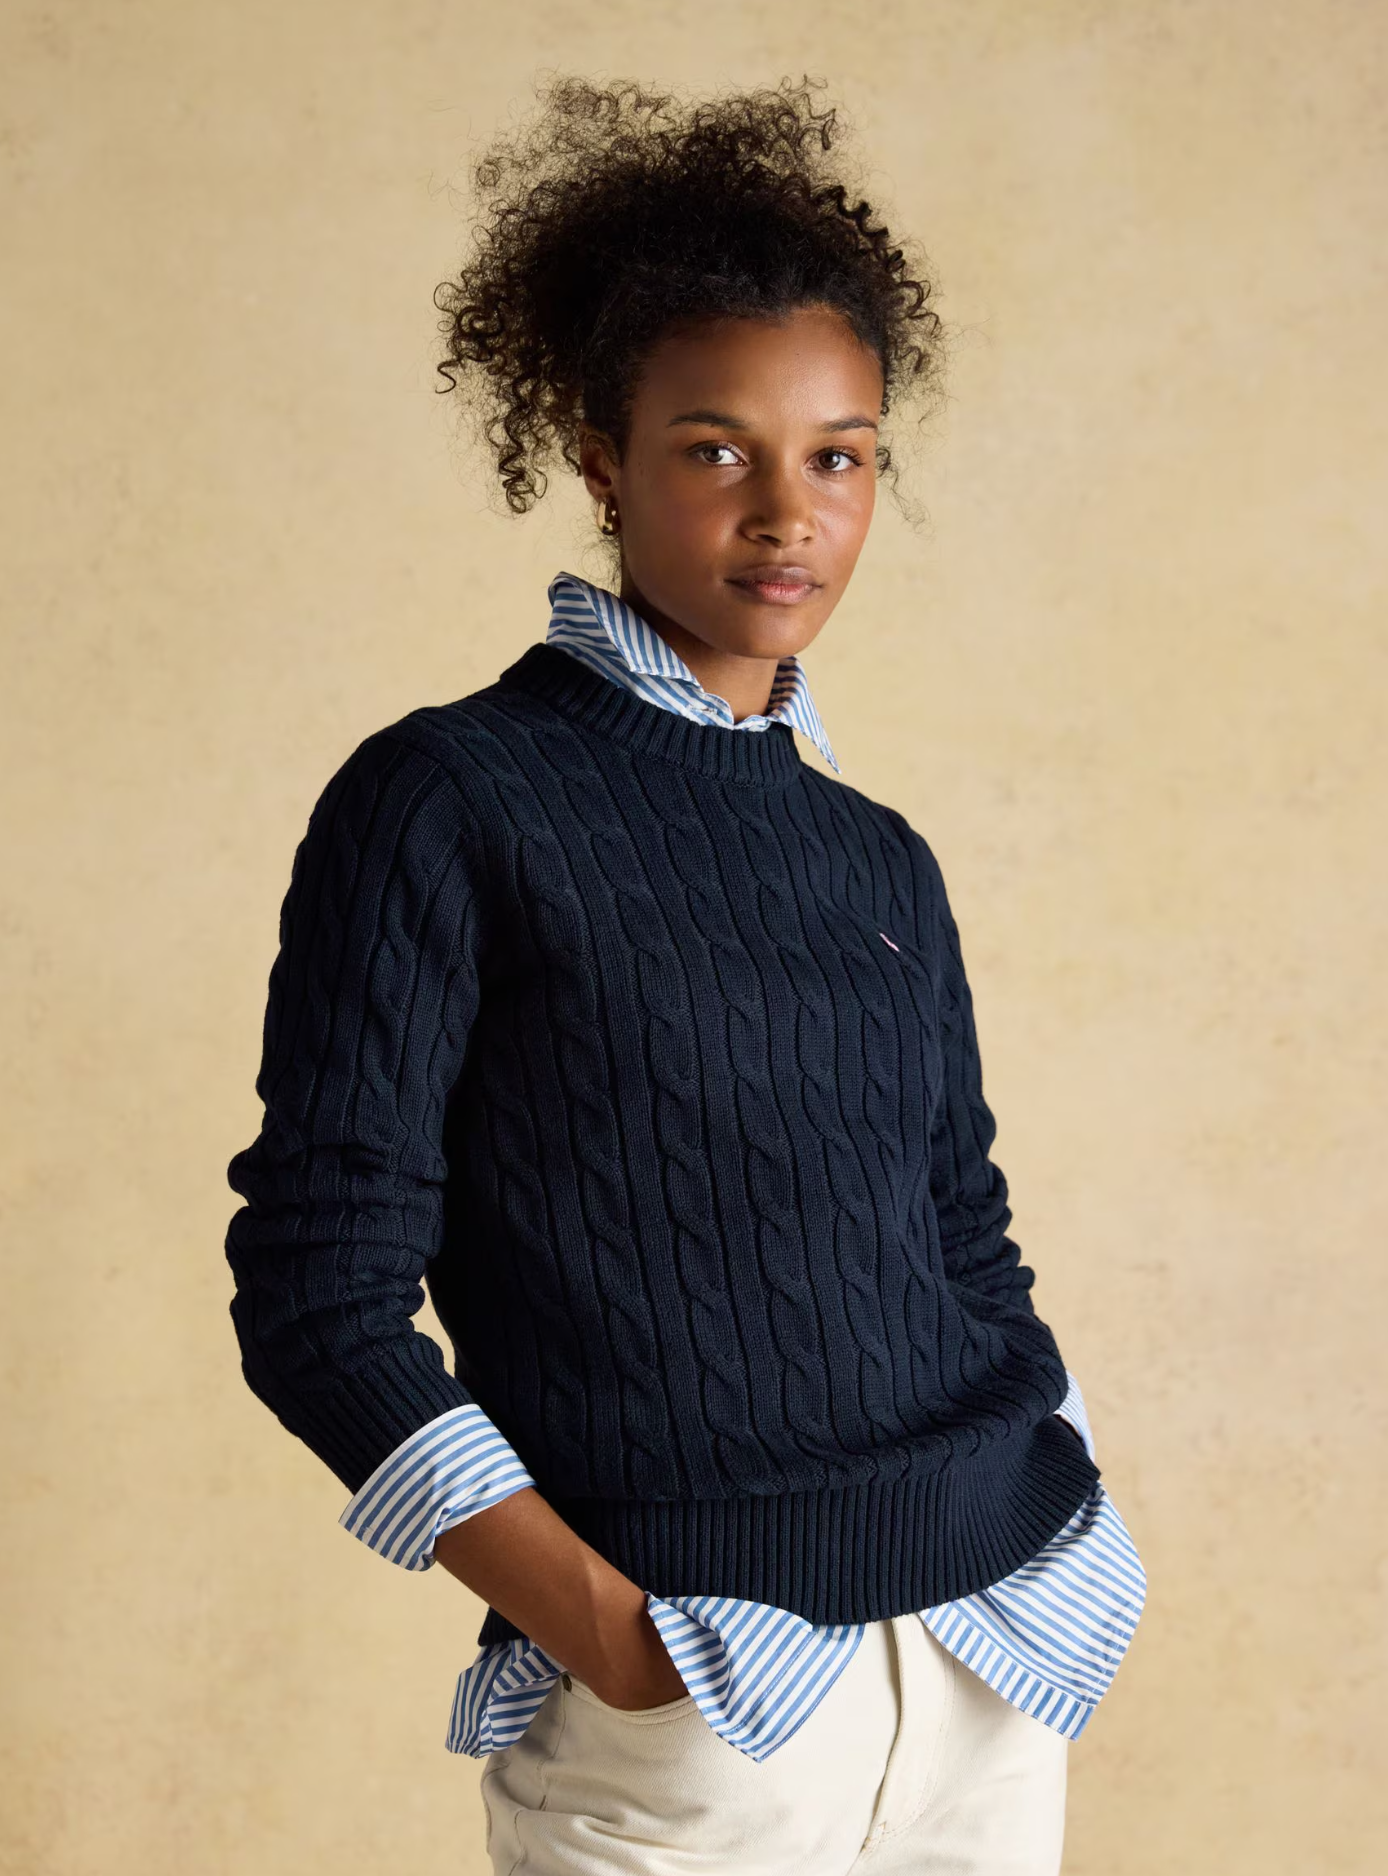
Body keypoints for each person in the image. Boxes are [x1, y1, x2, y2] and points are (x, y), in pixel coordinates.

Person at [224, 73, 1146, 1875]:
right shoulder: (450, 796)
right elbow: (316, 1292)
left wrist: (1060, 1488)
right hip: (700, 1694)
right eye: (716, 449)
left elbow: (960, 1230)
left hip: (989, 1656)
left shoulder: (874, 852)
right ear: (599, 455)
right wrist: (608, 1636)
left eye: (840, 456)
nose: (787, 513)